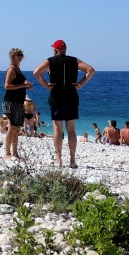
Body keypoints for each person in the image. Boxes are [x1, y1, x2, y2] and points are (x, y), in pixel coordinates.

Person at [33, 40, 95, 169]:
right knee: (71, 130)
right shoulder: (74, 60)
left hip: (57, 98)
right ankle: (72, 161)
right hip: (71, 97)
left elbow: (36, 72)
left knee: (57, 129)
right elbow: (90, 70)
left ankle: (59, 160)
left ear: (55, 50)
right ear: (65, 49)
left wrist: (46, 85)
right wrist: (81, 83)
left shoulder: (51, 61)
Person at [3, 47, 32, 161]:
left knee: (16, 129)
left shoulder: (18, 69)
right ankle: (7, 153)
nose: (20, 56)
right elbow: (7, 86)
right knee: (11, 127)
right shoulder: (11, 70)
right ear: (12, 57)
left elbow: (20, 82)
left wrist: (26, 85)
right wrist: (22, 85)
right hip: (11, 102)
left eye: (21, 54)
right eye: (18, 54)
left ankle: (15, 153)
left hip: (19, 103)